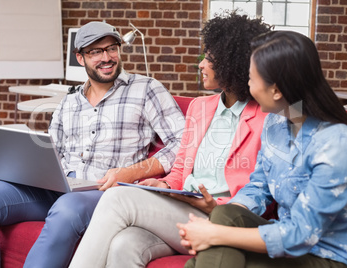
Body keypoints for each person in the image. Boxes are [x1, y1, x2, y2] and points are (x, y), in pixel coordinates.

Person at [0, 21, 185, 268]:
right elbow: (51, 149)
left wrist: (131, 172)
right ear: (80, 58)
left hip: (104, 191)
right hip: (57, 185)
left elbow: (183, 142)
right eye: (95, 52)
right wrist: (27, 164)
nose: (107, 57)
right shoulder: (69, 101)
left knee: (67, 210)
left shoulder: (146, 89)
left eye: (112, 48)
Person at [69, 11, 273, 268]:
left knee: (116, 198)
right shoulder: (200, 107)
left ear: (233, 63)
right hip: (181, 207)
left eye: (208, 59)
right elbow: (180, 170)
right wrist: (164, 185)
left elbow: (263, 188)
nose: (200, 64)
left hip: (221, 218)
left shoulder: (267, 117)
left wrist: (218, 206)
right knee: (125, 243)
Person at [177, 31, 347, 268]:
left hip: (330, 256)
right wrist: (222, 219)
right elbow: (259, 185)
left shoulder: (337, 144)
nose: (247, 85)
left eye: (251, 79)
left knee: (206, 260)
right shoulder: (277, 123)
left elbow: (299, 235)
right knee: (225, 214)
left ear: (276, 90)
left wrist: (213, 234)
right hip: (290, 244)